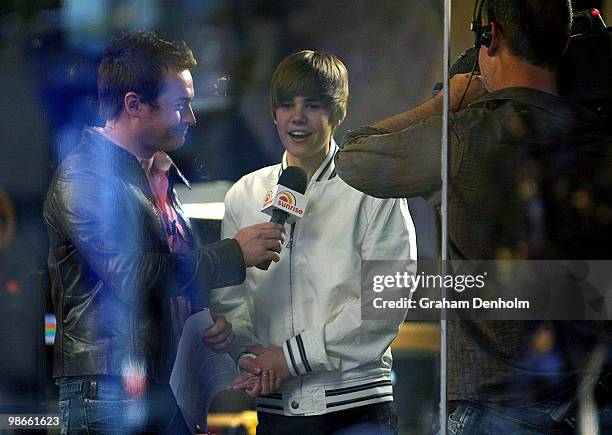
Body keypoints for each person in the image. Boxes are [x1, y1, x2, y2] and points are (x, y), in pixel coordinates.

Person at [335, 0, 612, 433]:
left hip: (494, 411)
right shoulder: (598, 138)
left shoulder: (463, 139)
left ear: (492, 35)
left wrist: (445, 104)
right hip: (592, 408)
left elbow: (352, 158)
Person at [43, 31, 285, 434]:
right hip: (108, 387)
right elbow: (133, 274)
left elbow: (166, 277)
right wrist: (233, 255)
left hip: (148, 382)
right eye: (180, 105)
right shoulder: (86, 176)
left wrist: (202, 323)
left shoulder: (156, 175)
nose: (191, 118)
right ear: (134, 105)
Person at [209, 50, 416, 434]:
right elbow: (230, 301)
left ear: (337, 113)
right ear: (274, 114)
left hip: (356, 406)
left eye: (313, 105)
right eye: (286, 105)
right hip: (275, 408)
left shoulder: (373, 191)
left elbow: (384, 302)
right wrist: (250, 358)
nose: (297, 116)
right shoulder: (244, 194)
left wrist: (290, 358)